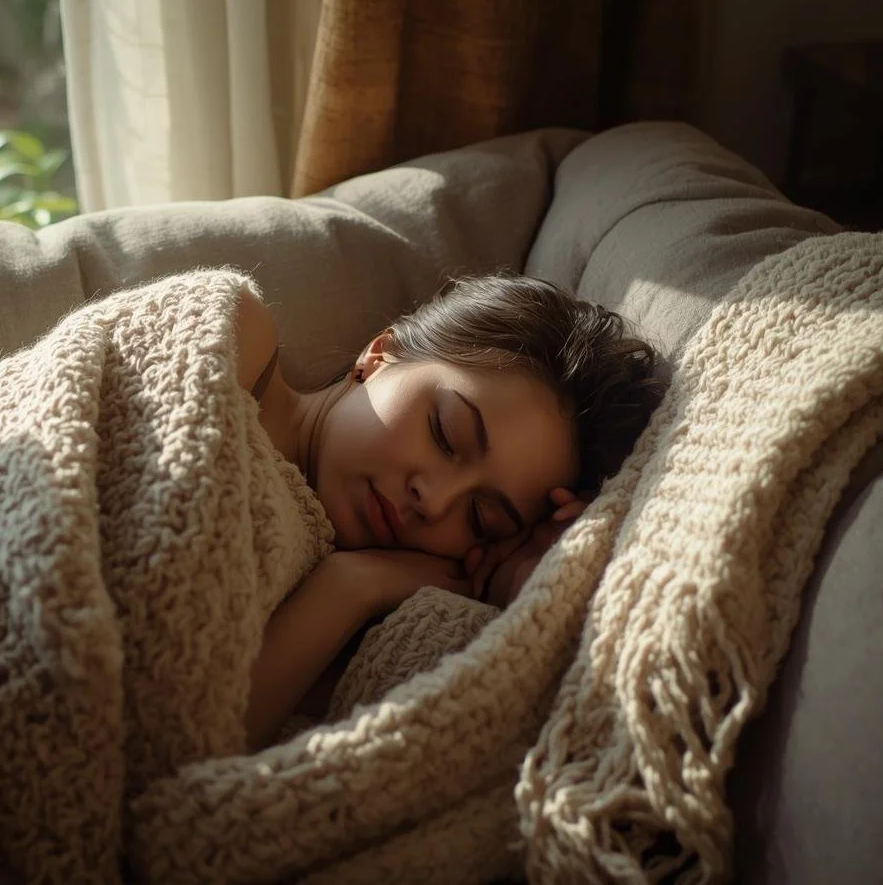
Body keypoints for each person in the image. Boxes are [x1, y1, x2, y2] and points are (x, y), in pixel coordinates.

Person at [239, 273, 664, 748]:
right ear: (379, 355)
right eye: (446, 433)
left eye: (481, 518)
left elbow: (200, 739)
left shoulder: (371, 644)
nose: (436, 501)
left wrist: (354, 585)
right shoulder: (238, 341)